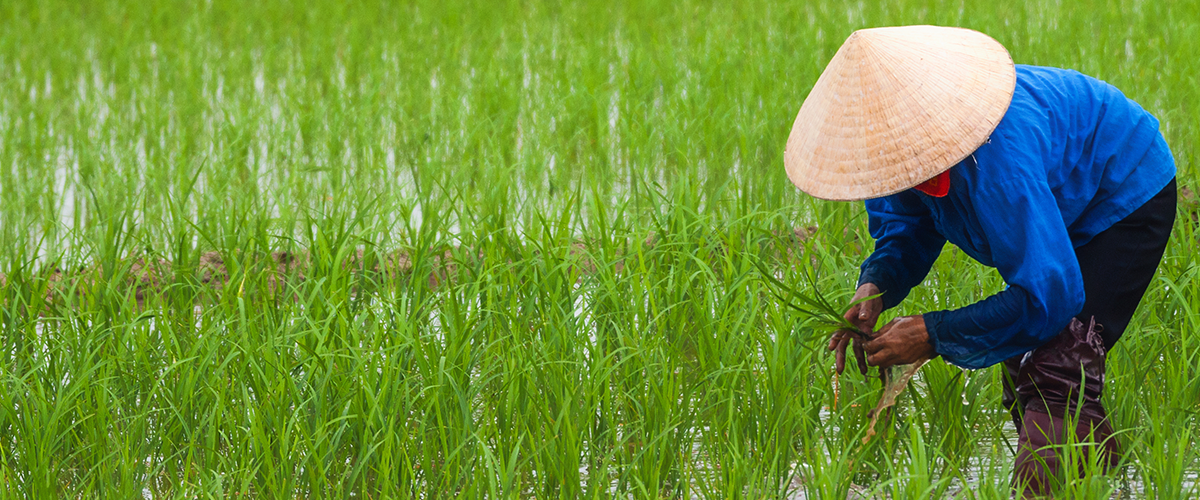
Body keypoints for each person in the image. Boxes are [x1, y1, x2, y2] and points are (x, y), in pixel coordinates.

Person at [782, 25, 1176, 496]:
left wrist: (932, 333)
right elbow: (906, 226)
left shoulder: (996, 164)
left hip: (1124, 192)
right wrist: (876, 285)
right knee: (1028, 359)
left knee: (1058, 365)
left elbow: (1046, 296)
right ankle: (1080, 478)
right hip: (1057, 193)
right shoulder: (897, 154)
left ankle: (1060, 481)